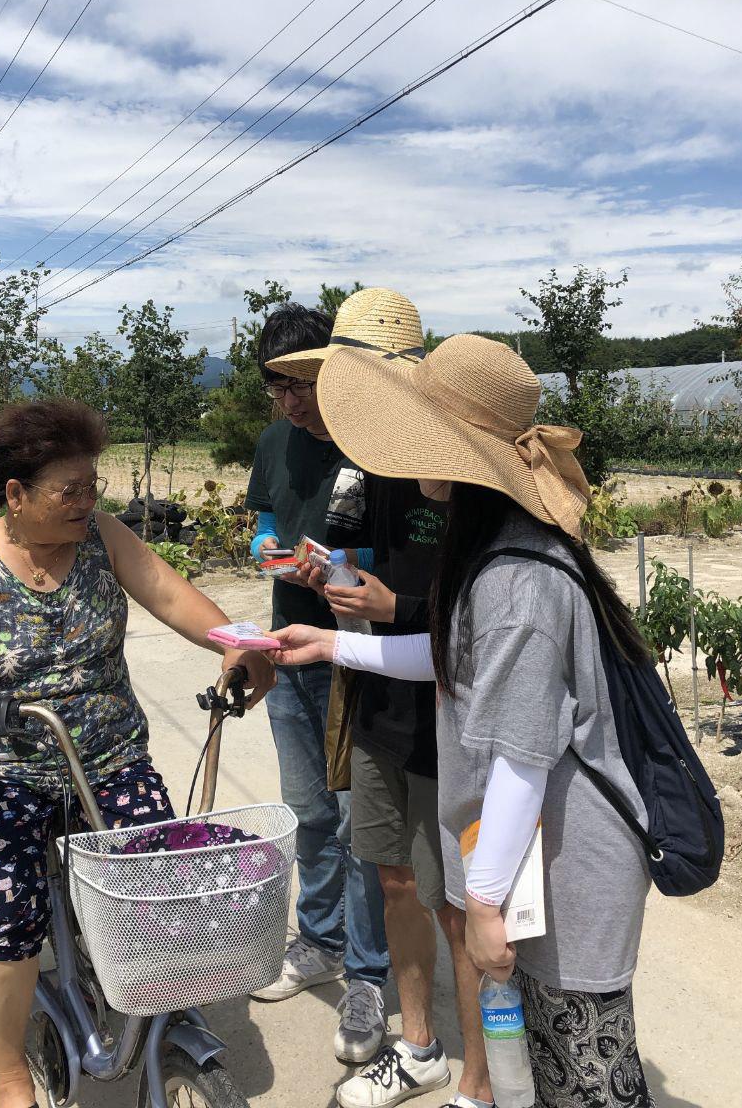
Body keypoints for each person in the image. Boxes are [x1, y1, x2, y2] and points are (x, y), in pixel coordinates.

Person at [272, 334, 657, 1108]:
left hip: (569, 869)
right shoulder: (499, 550)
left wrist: (482, 905)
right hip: (539, 855)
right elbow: (452, 658)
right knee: (548, 1068)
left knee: (586, 1074)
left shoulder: (514, 578)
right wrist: (333, 643)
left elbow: (520, 753)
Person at [0, 398, 275, 1108]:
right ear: (16, 494)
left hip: (106, 755)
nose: (87, 502)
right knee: (9, 911)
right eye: (68, 490)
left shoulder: (102, 536)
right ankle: (8, 1071)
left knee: (162, 878)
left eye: (91, 486)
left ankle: (149, 989)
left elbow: (169, 592)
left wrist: (238, 642)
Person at [269, 292, 491, 1108]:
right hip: (379, 707)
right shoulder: (374, 467)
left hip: (444, 719)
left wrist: (389, 608)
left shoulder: (456, 473)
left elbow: (478, 618)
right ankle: (420, 1044)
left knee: (461, 906)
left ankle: (480, 1078)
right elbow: (375, 560)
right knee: (394, 877)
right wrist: (338, 581)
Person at [244, 299, 389, 1065]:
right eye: (278, 387)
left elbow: (389, 562)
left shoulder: (374, 448)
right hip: (288, 647)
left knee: (358, 817)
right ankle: (321, 941)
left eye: (300, 384)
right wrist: (272, 547)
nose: (290, 402)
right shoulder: (274, 442)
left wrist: (336, 565)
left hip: (359, 659)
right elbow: (265, 517)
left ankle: (369, 972)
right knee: (307, 809)